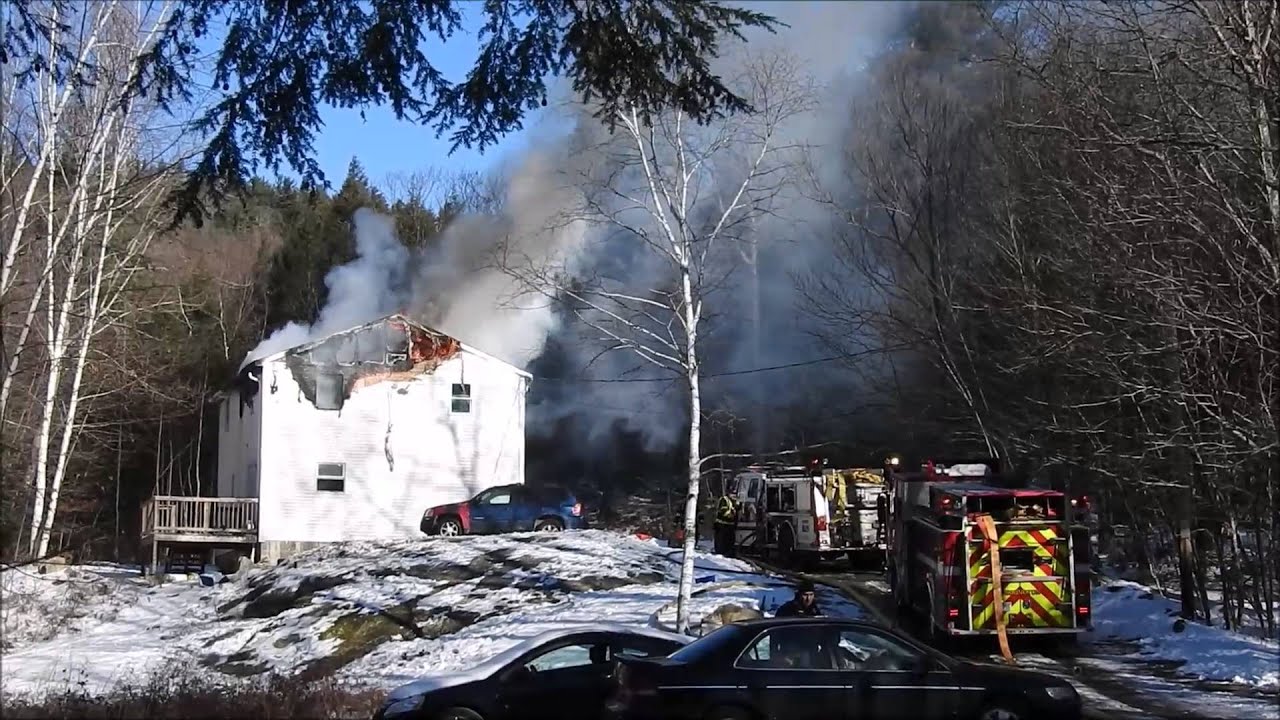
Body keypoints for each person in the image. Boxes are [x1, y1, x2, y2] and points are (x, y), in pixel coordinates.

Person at [713, 491, 737, 557]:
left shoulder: (734, 501)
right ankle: (720, 553)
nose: (734, 496)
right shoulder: (724, 500)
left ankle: (728, 552)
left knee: (730, 540)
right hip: (722, 524)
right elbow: (723, 511)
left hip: (730, 524)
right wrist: (730, 514)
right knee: (721, 540)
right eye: (733, 494)